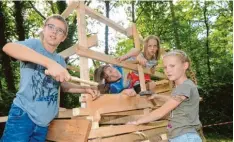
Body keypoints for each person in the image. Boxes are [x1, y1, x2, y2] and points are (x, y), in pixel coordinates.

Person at [1, 14, 100, 142]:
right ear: (44, 28)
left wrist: (85, 89)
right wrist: (49, 63)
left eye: (60, 31)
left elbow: (64, 86)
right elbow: (8, 47)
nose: (54, 31)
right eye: (51, 26)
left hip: (44, 124)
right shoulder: (33, 45)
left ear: (63, 37)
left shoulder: (60, 60)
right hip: (23, 115)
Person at [127, 50, 203, 142]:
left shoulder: (184, 87)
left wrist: (137, 121)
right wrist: (157, 96)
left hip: (185, 137)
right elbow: (174, 101)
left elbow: (161, 112)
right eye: (165, 67)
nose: (168, 70)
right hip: (183, 136)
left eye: (172, 66)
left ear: (185, 66)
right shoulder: (184, 86)